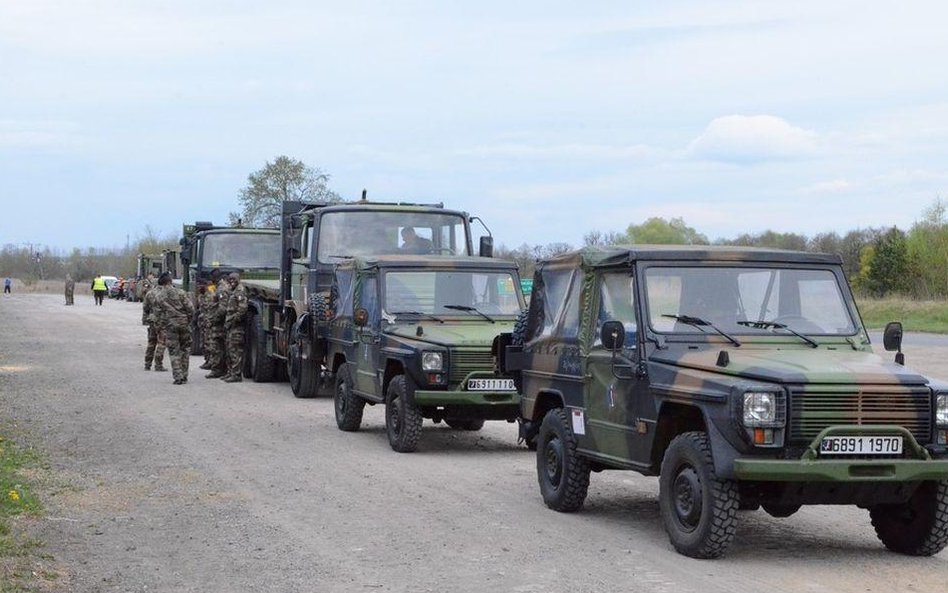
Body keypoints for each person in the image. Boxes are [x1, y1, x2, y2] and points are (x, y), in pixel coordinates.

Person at [153, 272, 194, 385]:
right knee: (185, 350)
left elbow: (157, 315)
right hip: (184, 324)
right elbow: (190, 309)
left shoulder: (159, 296)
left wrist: (160, 328)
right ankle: (185, 375)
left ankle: (178, 377)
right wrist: (187, 320)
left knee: (174, 352)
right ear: (170, 281)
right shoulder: (181, 293)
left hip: (170, 326)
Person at [222, 272, 248, 383]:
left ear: (238, 279)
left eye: (234, 279)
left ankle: (236, 374)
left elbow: (242, 308)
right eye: (230, 279)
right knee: (229, 349)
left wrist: (234, 320)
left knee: (235, 350)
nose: (232, 282)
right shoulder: (233, 291)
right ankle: (231, 372)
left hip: (236, 327)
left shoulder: (239, 291)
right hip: (230, 326)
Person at [204, 269, 228, 379]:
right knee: (219, 346)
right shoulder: (220, 287)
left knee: (216, 346)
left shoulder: (221, 289)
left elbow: (222, 308)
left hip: (219, 323)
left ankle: (217, 369)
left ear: (214, 278)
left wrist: (215, 318)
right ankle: (220, 368)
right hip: (219, 322)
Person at [141, 279, 167, 372]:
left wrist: (145, 320)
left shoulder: (149, 293)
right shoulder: (166, 293)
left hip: (152, 320)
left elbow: (145, 308)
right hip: (163, 320)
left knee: (151, 342)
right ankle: (158, 364)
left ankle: (147, 364)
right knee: (162, 343)